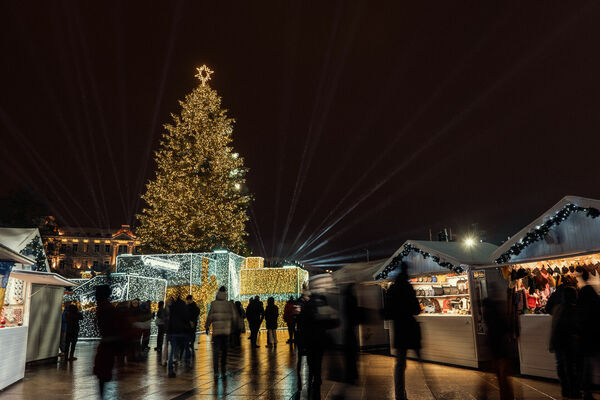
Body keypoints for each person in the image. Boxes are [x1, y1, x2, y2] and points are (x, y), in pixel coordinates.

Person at [384, 262, 421, 400]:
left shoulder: (392, 289)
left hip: (399, 329)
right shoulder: (408, 287)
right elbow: (416, 309)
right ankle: (434, 388)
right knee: (419, 359)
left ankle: (399, 393)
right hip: (410, 327)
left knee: (400, 363)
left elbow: (387, 313)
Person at [550, 286, 580, 398]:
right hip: (568, 343)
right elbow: (575, 327)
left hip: (558, 342)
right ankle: (573, 391)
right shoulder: (573, 309)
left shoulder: (558, 308)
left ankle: (566, 390)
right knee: (571, 367)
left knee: (562, 366)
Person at [205, 286, 238, 378]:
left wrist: (207, 326)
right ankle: (223, 370)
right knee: (224, 352)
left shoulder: (214, 304)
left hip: (216, 332)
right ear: (225, 293)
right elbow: (234, 317)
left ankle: (216, 371)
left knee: (216, 352)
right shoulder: (229, 304)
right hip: (226, 332)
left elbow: (210, 316)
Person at [576, 271, 599, 400]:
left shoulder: (582, 298)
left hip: (584, 337)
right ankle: (587, 392)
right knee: (588, 365)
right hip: (592, 336)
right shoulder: (592, 294)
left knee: (586, 365)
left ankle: (586, 391)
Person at [94, 285, 119, 399]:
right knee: (103, 374)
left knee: (102, 374)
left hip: (107, 345)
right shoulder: (107, 307)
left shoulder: (103, 308)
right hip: (109, 345)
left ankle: (102, 396)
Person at [167, 297, 189, 378]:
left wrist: (168, 333)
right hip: (182, 333)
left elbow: (169, 322)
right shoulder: (184, 311)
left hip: (173, 333)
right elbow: (186, 321)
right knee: (185, 348)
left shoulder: (172, 310)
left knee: (172, 350)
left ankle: (170, 368)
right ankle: (186, 362)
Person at [185, 294, 200, 363]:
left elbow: (194, 313)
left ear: (189, 299)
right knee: (192, 333)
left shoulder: (191, 306)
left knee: (191, 332)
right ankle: (191, 343)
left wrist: (191, 320)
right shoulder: (194, 305)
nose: (187, 301)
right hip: (192, 322)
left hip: (191, 322)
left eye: (187, 300)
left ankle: (190, 343)